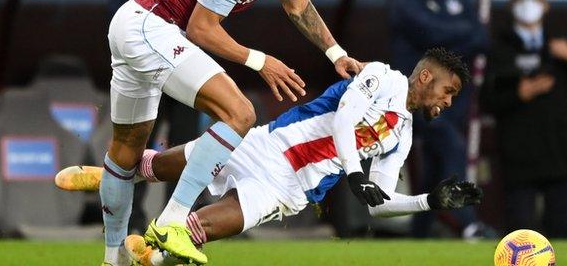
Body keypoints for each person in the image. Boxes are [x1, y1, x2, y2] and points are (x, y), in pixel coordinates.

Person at [97, 0, 362, 264]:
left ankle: (113, 260)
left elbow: (297, 4)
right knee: (240, 113)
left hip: (133, 23)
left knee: (125, 153)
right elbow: (201, 29)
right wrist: (260, 61)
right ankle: (172, 221)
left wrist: (336, 54)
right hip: (153, 28)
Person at [56, 48, 483, 265]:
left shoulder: (402, 137)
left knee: (196, 232)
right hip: (266, 143)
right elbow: (344, 119)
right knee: (164, 168)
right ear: (425, 77)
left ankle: (148, 254)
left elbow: (380, 202)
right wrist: (355, 173)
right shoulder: (380, 76)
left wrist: (429, 201)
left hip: (287, 188)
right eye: (449, 91)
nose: (448, 102)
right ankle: (115, 175)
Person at [108, 0, 206, 235]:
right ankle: (130, 222)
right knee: (137, 144)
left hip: (187, 64)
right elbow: (117, 9)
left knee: (185, 144)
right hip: (148, 66)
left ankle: (177, 221)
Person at [388, 0, 488, 238]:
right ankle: (470, 224)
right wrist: (461, 34)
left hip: (454, 100)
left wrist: (447, 33)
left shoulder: (459, 0)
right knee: (452, 147)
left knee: (435, 165)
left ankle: (417, 235)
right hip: (418, 101)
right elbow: (431, 35)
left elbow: (484, 38)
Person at [480, 0, 567, 238]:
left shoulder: (561, 44)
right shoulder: (499, 48)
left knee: (563, 232)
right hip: (518, 155)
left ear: (546, 4)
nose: (528, 5)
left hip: (560, 152)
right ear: (511, 5)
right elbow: (488, 100)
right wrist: (519, 94)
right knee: (520, 235)